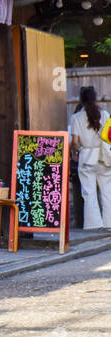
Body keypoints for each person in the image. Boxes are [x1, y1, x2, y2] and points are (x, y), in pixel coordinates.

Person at [69, 86, 111, 229]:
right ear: (95, 98)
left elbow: (74, 142)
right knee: (107, 192)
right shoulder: (105, 114)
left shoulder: (76, 118)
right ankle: (109, 223)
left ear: (81, 99)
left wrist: (74, 153)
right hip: (104, 157)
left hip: (86, 157)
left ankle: (93, 225)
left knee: (89, 193)